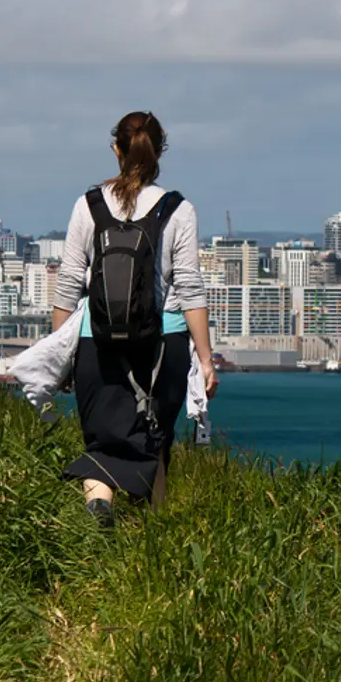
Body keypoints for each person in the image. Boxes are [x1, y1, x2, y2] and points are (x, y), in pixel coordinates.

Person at [51, 111, 217, 526]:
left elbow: (69, 282)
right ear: (160, 151)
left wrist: (61, 351)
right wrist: (207, 359)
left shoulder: (88, 205)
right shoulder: (178, 209)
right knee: (154, 439)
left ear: (116, 150)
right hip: (164, 343)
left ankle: (98, 507)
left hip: (96, 341)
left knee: (103, 442)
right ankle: (152, 536)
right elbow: (191, 289)